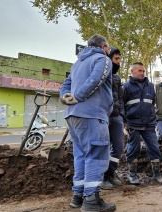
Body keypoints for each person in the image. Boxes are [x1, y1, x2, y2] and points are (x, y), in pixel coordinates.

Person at [59, 34, 116, 212]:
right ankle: (91, 199)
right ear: (103, 46)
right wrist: (78, 97)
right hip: (92, 114)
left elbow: (65, 84)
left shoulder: (77, 64)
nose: (109, 51)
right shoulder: (102, 59)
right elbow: (96, 80)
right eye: (108, 48)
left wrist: (66, 97)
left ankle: (78, 195)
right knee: (96, 155)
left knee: (81, 155)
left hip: (73, 116)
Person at [123, 62, 162, 185]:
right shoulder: (126, 87)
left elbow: (151, 103)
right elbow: (122, 106)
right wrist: (124, 122)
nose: (142, 73)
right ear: (132, 72)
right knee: (133, 149)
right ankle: (132, 175)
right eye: (139, 71)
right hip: (133, 123)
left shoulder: (150, 86)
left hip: (149, 124)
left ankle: (157, 175)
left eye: (143, 71)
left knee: (154, 148)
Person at [101, 47, 125, 190]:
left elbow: (120, 97)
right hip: (103, 117)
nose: (119, 62)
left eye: (119, 59)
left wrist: (121, 114)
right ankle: (101, 177)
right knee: (102, 148)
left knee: (118, 147)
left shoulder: (116, 78)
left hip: (116, 117)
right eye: (116, 59)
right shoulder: (101, 75)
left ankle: (110, 173)